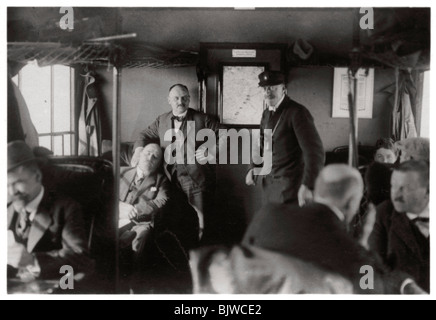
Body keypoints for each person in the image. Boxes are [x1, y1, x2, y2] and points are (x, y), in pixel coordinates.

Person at [242, 164, 425, 294]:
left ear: (316, 193)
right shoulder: (358, 257)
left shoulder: (267, 214)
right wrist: (363, 247)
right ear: (352, 202)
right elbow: (371, 291)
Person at [131, 84, 224, 242]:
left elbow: (226, 134)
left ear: (189, 99)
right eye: (176, 98)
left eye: (184, 98)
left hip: (195, 180)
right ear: (169, 100)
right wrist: (138, 151)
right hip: (169, 180)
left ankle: (200, 257)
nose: (180, 101)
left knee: (202, 223)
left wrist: (211, 150)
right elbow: (143, 134)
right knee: (172, 221)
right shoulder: (162, 120)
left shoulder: (202, 119)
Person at [7, 141, 94, 281]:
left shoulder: (66, 209)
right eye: (5, 185)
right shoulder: (7, 210)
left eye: (18, 182)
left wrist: (32, 261)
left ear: (37, 176)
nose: (11, 192)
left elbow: (80, 258)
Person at [245, 70, 324, 206]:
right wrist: (253, 167)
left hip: (291, 187)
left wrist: (308, 185)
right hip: (270, 185)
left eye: (273, 87)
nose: (268, 92)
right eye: (265, 88)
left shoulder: (297, 113)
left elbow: (315, 153)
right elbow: (262, 144)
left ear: (284, 89)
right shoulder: (266, 114)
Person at [369, 160, 429, 292]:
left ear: (428, 190)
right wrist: (405, 286)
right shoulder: (383, 214)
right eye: (393, 186)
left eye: (405, 188)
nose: (396, 195)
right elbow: (368, 266)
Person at [118, 143, 170, 255]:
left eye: (155, 157)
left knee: (141, 236)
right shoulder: (121, 172)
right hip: (117, 216)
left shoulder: (161, 180)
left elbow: (162, 200)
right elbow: (107, 193)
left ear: (158, 164)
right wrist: (119, 206)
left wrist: (136, 210)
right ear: (140, 154)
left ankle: (134, 270)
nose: (150, 158)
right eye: (148, 153)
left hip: (140, 222)